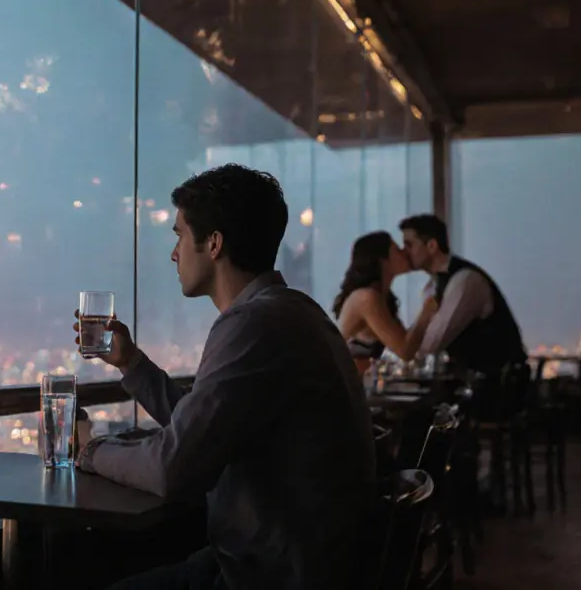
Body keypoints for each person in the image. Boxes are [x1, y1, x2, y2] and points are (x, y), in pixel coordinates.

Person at [75, 164, 374, 589]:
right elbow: (203, 429)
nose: (174, 253)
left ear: (213, 243)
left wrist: (90, 451)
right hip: (302, 562)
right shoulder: (294, 312)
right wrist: (131, 363)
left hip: (266, 575)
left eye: (179, 235)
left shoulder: (253, 324)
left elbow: (173, 467)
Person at [398, 214, 527, 389]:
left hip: (498, 390)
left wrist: (402, 346)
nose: (403, 252)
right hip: (475, 386)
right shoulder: (433, 286)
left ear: (432, 246)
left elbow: (431, 343)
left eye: (409, 245)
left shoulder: (465, 281)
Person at [332, 231, 437, 375]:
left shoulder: (384, 298)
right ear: (383, 260)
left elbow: (407, 343)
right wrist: (426, 312)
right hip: (343, 386)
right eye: (397, 249)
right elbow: (404, 351)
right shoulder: (367, 298)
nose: (404, 252)